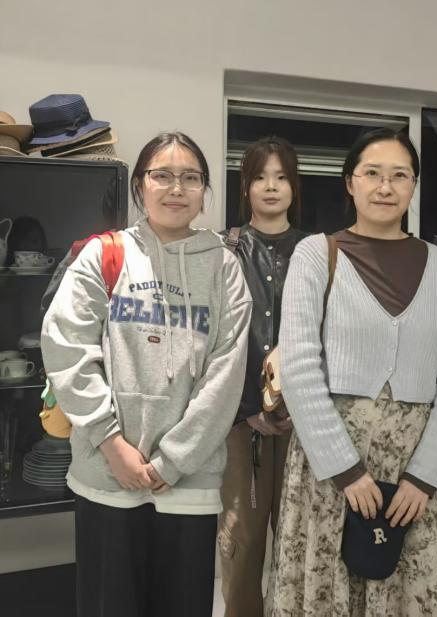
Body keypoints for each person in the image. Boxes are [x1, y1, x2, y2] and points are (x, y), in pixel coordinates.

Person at [41, 132, 252, 617]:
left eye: (191, 178)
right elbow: (66, 346)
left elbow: (226, 374)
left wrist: (171, 462)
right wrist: (111, 444)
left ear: (204, 190)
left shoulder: (224, 267)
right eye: (162, 175)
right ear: (140, 185)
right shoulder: (104, 254)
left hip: (189, 484)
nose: (177, 188)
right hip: (106, 476)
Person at [266, 128, 437, 616]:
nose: (385, 187)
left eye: (399, 175)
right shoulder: (316, 254)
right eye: (372, 173)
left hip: (414, 472)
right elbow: (299, 366)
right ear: (350, 182)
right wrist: (347, 471)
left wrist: (424, 478)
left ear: (413, 185)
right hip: (330, 466)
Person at [217, 136, 308, 617]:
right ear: (245, 186)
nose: (271, 186)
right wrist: (247, 409)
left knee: (300, 541)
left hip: (305, 424)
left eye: (281, 177)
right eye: (260, 177)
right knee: (241, 538)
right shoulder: (224, 249)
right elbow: (211, 343)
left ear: (294, 186)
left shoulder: (318, 252)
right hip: (239, 423)